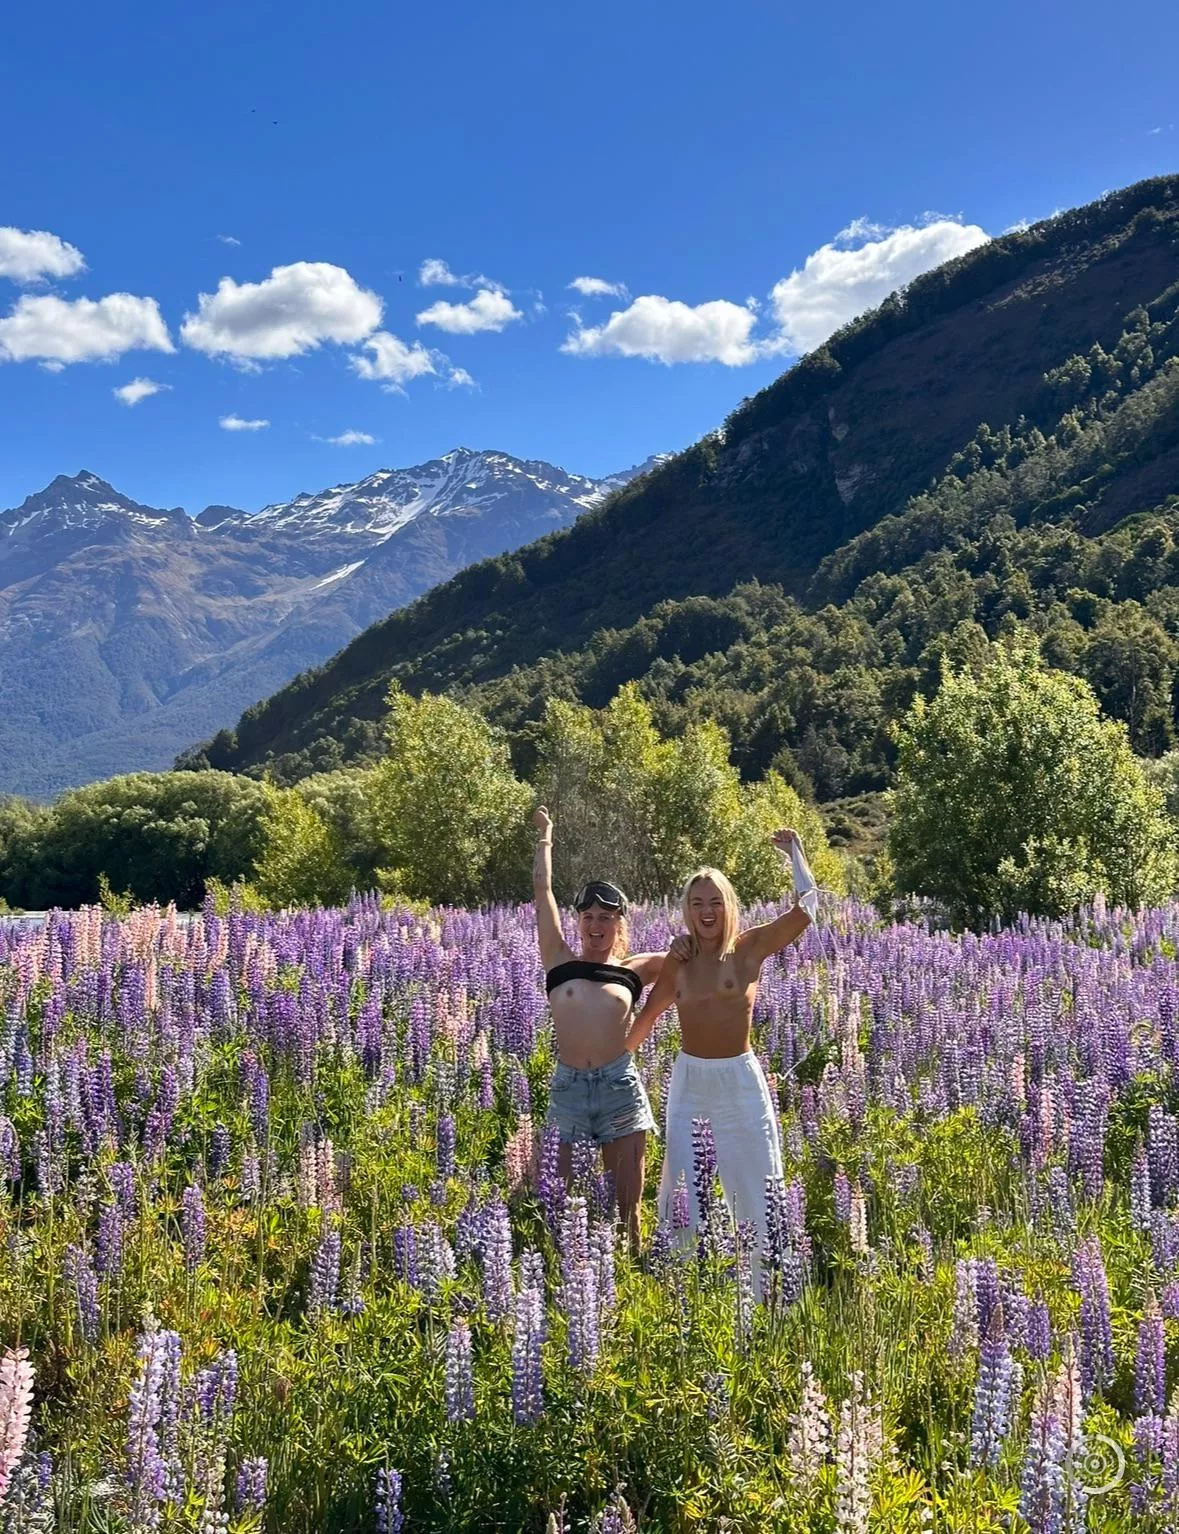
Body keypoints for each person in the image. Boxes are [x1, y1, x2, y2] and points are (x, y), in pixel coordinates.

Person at [624, 829, 819, 1268]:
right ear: (687, 912)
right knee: (682, 1186)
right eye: (697, 903)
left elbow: (806, 910)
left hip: (739, 1080)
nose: (706, 911)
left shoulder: (749, 948)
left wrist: (796, 853)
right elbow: (649, 1014)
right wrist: (611, 1063)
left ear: (728, 906)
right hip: (691, 1082)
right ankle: (684, 1284)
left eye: (715, 902)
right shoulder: (681, 959)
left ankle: (767, 1282)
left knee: (758, 1179)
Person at [531, 806, 665, 1252]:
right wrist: (546, 837)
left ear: (619, 924)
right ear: (579, 923)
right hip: (568, 1086)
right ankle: (565, 1273)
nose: (596, 924)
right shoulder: (559, 960)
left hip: (618, 1085)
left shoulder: (635, 969)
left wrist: (647, 1021)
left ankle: (632, 1276)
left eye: (606, 917)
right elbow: (541, 890)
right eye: (588, 916)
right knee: (555, 1199)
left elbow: (695, 961)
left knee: (628, 1209)